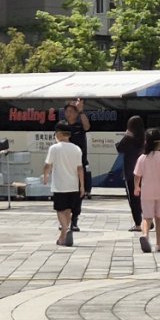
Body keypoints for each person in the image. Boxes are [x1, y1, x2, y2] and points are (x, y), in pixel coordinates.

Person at [42, 121, 84, 247]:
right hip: (73, 185)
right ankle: (64, 236)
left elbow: (47, 165)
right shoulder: (77, 149)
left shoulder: (54, 148)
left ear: (59, 134)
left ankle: (65, 230)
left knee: (60, 210)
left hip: (60, 185)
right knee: (68, 211)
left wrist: (45, 176)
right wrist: (82, 186)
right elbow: (80, 168)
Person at [134, 127, 160, 253]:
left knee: (147, 217)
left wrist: (136, 187)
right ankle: (159, 244)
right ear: (159, 142)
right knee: (159, 218)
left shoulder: (142, 158)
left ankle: (145, 235)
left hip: (146, 191)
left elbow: (137, 175)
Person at [62, 98, 90, 231]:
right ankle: (65, 220)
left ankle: (74, 220)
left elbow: (87, 127)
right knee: (65, 194)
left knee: (79, 193)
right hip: (65, 166)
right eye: (66, 111)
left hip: (80, 165)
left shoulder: (80, 125)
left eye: (71, 111)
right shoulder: (62, 126)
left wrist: (81, 111)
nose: (68, 114)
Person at [115, 114, 145, 231]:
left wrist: (126, 135)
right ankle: (148, 220)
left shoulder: (129, 139)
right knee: (143, 198)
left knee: (134, 199)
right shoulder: (144, 138)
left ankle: (138, 224)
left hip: (130, 173)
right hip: (143, 172)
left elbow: (119, 148)